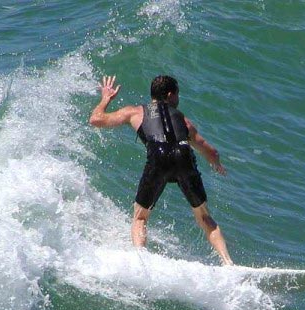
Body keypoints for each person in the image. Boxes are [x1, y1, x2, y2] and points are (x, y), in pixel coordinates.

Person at [89, 75, 234, 266]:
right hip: (183, 156)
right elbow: (210, 151)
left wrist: (105, 98)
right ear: (170, 95)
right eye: (177, 95)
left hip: (158, 158)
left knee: (140, 217)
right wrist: (216, 164)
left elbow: (95, 120)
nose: (178, 99)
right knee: (204, 216)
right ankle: (228, 262)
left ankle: (141, 260)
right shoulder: (183, 120)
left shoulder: (135, 112)